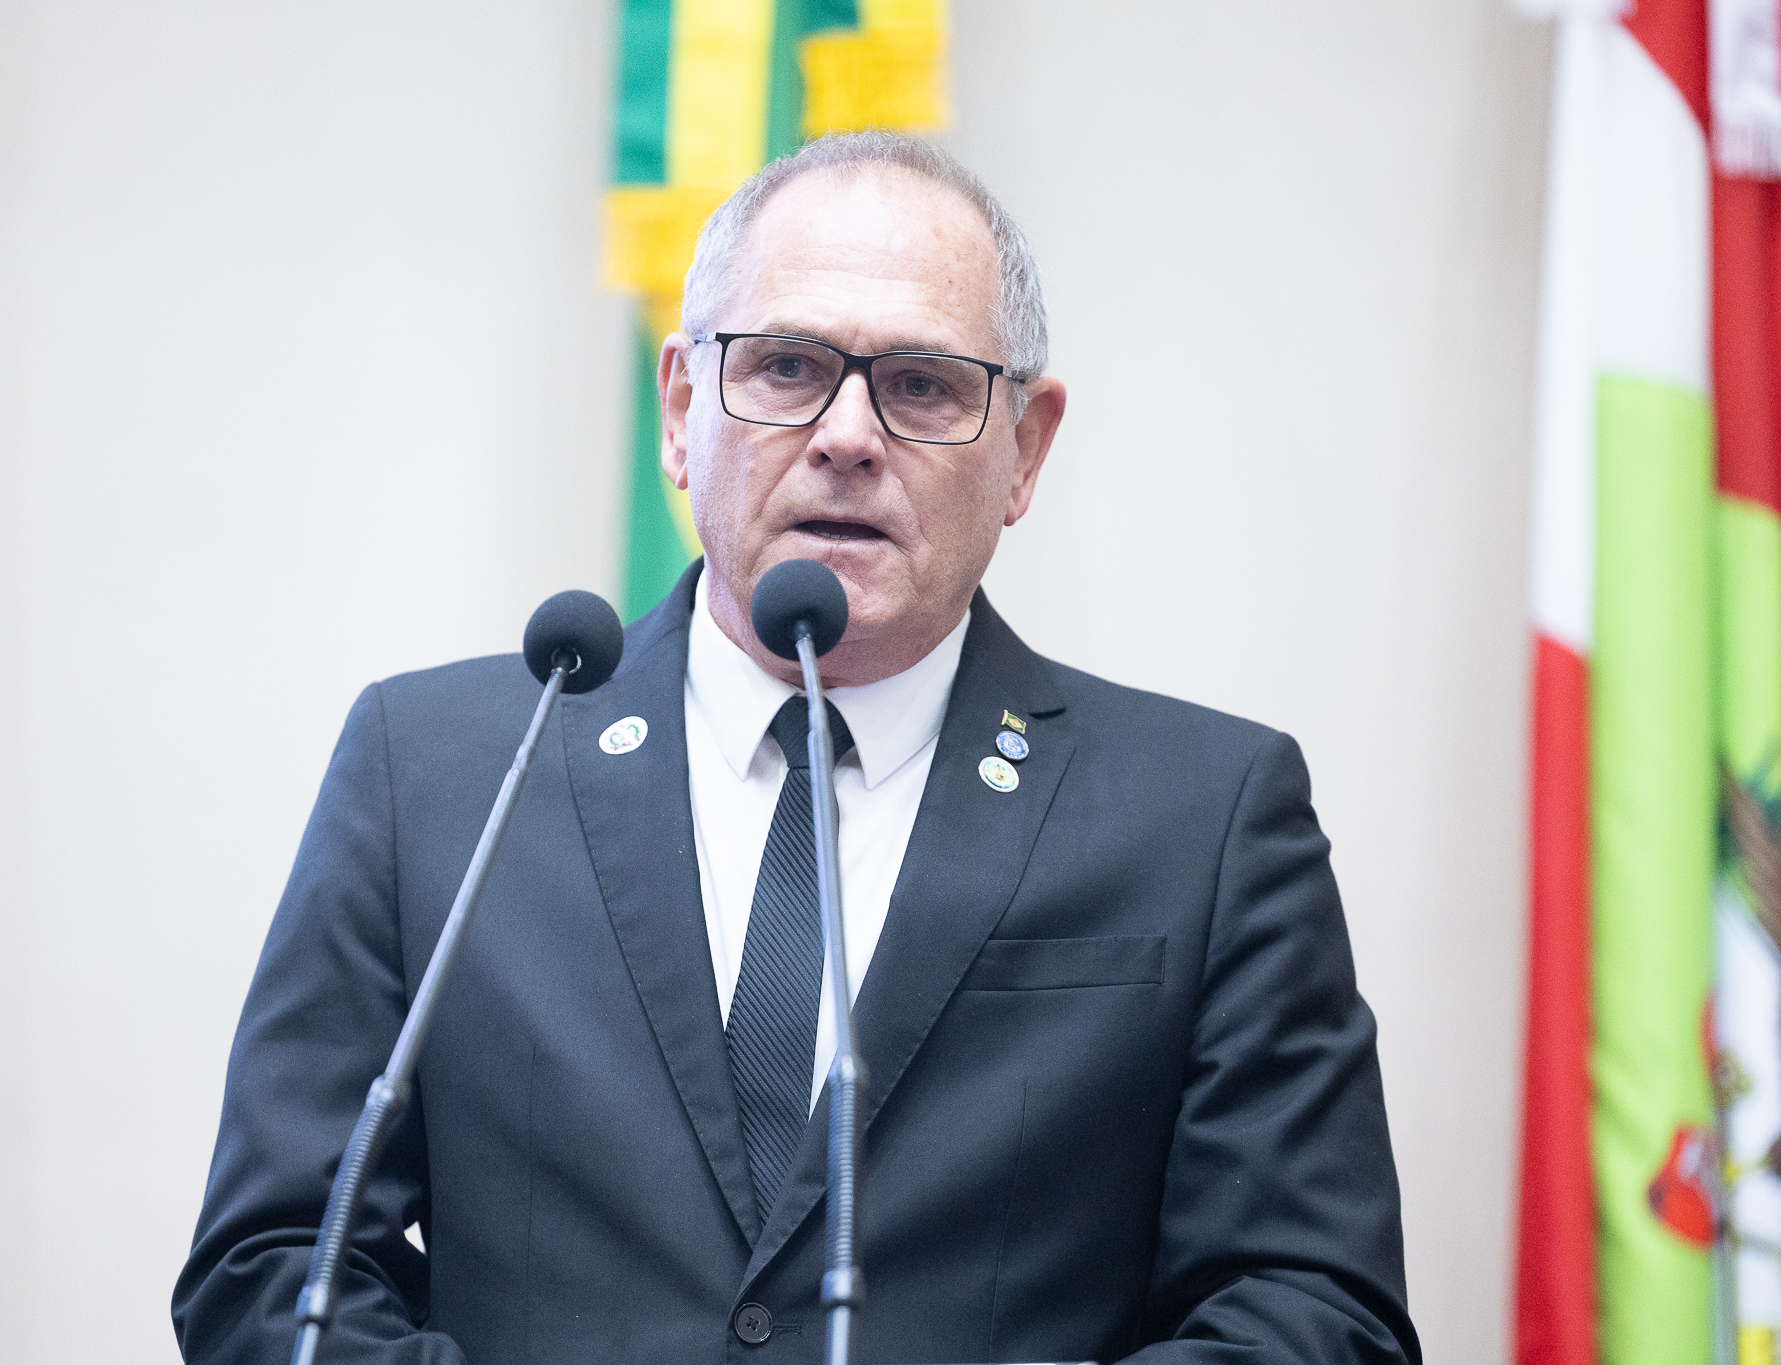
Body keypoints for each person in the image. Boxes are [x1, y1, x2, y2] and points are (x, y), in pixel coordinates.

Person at [173, 131, 1420, 1365]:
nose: (846, 436)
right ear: (681, 410)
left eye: (922, 385)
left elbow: (1313, 1314)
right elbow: (273, 1269)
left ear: (1024, 449)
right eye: (785, 368)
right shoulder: (437, 772)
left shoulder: (1203, 819)